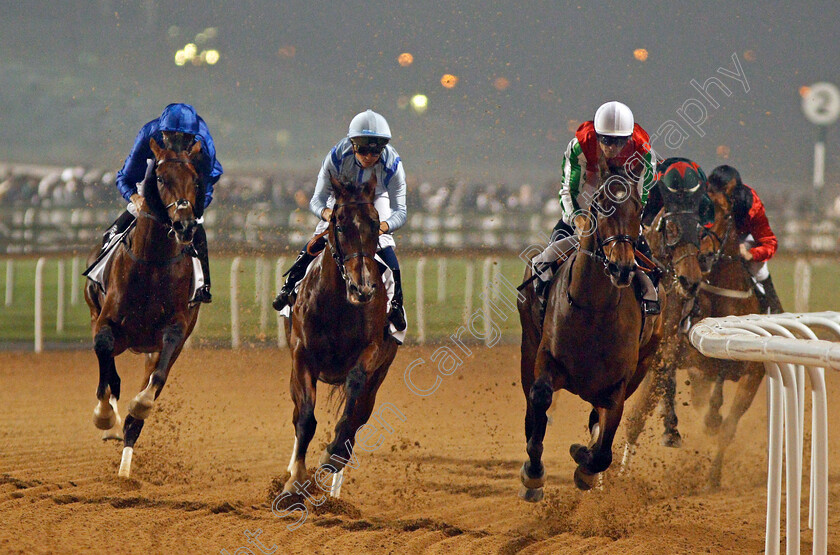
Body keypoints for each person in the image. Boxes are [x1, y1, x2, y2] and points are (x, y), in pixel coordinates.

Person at [272, 109, 408, 331]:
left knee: (387, 253)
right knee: (316, 242)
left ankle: (396, 304)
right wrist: (327, 215)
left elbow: (400, 211)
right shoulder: (336, 157)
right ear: (353, 145)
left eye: (375, 152)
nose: (369, 157)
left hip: (375, 197)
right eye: (363, 150)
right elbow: (317, 200)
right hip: (342, 198)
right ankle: (289, 287)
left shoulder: (393, 164)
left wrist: (382, 227)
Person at [531, 101, 660, 314]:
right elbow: (569, 190)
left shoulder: (644, 154)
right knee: (550, 253)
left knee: (646, 255)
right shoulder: (579, 146)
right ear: (597, 135)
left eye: (619, 142)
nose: (612, 148)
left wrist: (630, 225)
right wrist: (578, 219)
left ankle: (650, 295)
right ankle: (543, 295)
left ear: (629, 139)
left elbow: (640, 199)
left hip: (625, 194)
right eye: (606, 141)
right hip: (589, 186)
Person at [102, 103, 223, 303]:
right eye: (170, 137)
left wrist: (192, 211)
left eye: (182, 139)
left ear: (192, 139)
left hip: (189, 180)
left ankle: (203, 284)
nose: (176, 144)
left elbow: (207, 183)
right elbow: (125, 178)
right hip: (156, 174)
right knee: (115, 229)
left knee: (195, 225)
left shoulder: (203, 142)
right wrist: (135, 197)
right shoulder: (149, 134)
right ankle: (101, 270)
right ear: (162, 133)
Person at [706, 165, 783, 314]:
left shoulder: (751, 204)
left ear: (731, 193)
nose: (711, 196)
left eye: (716, 192)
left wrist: (751, 254)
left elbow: (770, 242)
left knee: (759, 268)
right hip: (712, 234)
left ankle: (773, 307)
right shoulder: (705, 199)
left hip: (742, 236)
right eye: (710, 191)